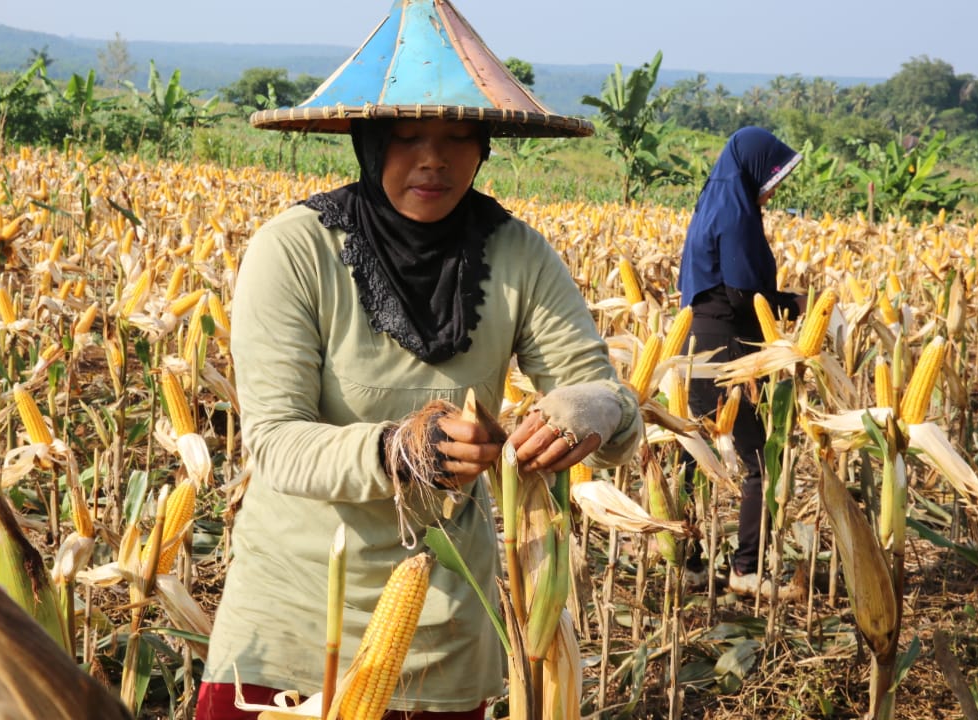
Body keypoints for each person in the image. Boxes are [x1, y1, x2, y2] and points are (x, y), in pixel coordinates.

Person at [194, 2, 642, 719]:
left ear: (485, 145)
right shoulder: (296, 251)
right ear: (368, 143)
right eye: (406, 136)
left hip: (443, 626)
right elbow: (276, 445)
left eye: (458, 137)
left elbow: (605, 400)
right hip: (294, 620)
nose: (433, 159)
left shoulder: (518, 255)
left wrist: (593, 406)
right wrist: (401, 448)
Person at [677, 126, 804, 597]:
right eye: (772, 179)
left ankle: (688, 563)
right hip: (729, 344)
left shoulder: (711, 203)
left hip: (696, 342)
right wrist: (793, 303)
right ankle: (746, 570)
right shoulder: (737, 215)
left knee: (694, 456)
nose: (773, 190)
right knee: (760, 463)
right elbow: (742, 293)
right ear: (754, 170)